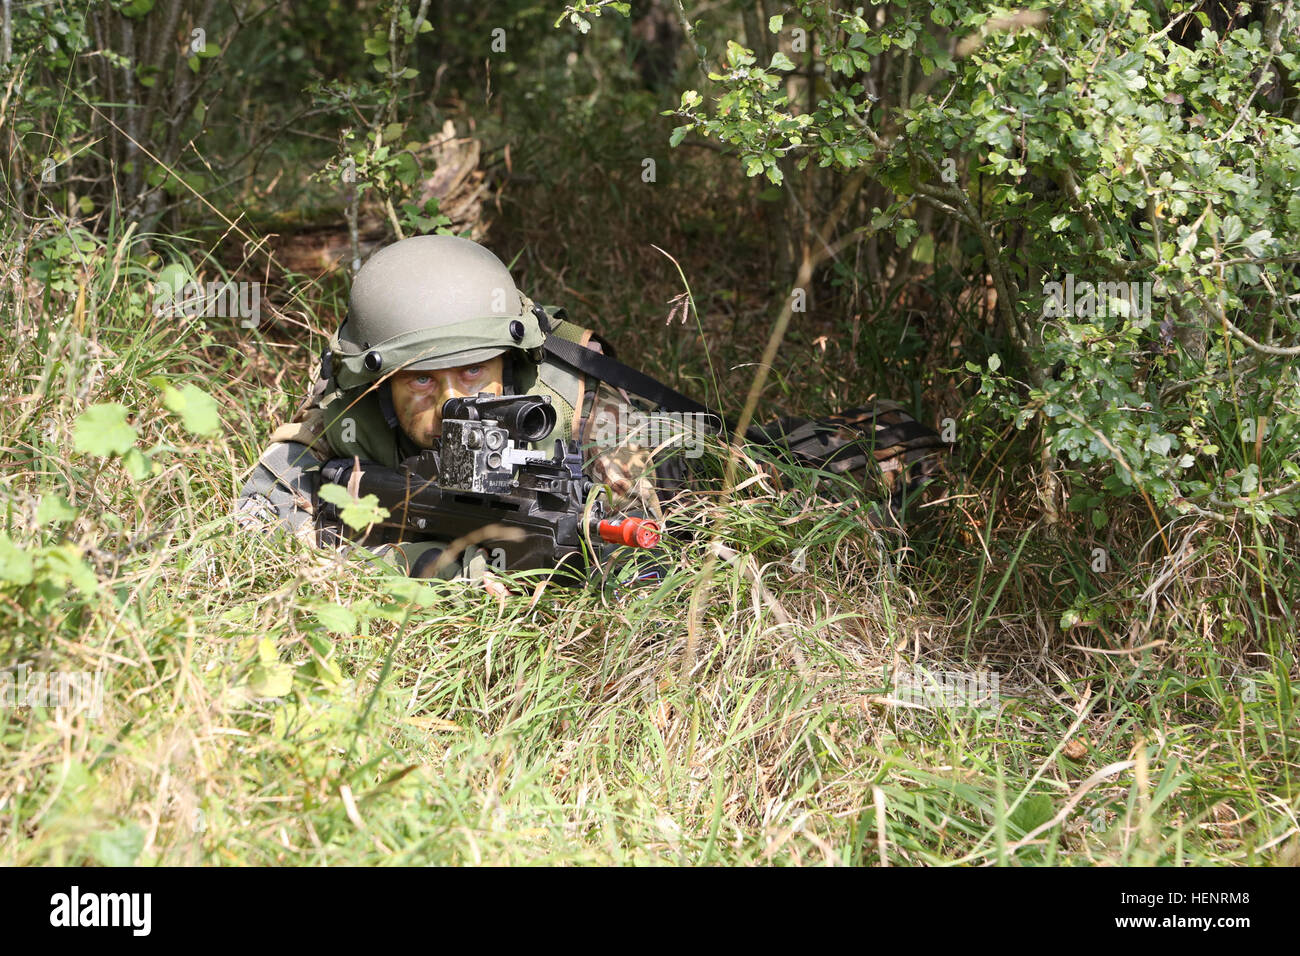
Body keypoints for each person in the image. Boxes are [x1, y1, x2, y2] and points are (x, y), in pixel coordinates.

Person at [236, 234, 946, 583]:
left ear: (513, 364)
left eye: (474, 372)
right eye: (423, 381)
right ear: (375, 382)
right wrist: (429, 563)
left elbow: (655, 577)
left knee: (813, 467)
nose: (453, 401)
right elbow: (252, 536)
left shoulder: (588, 425)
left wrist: (580, 550)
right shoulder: (346, 422)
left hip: (647, 455)